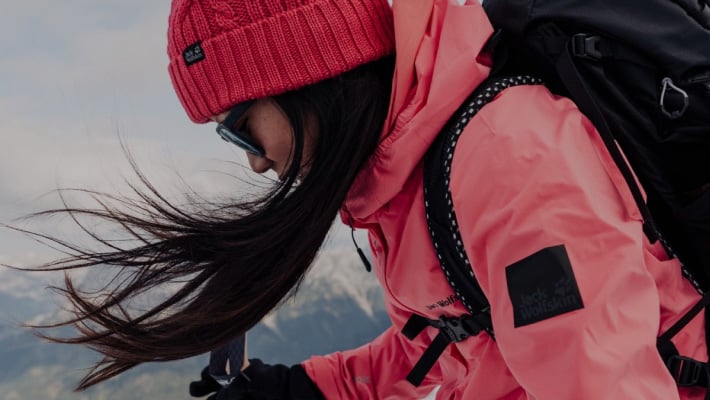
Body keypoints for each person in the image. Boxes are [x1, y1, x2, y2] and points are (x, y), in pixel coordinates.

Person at [29, 0, 707, 398]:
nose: (257, 158)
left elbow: (599, 381)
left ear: (308, 74)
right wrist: (307, 388)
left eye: (241, 128)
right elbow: (460, 337)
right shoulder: (407, 175)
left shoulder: (506, 160)